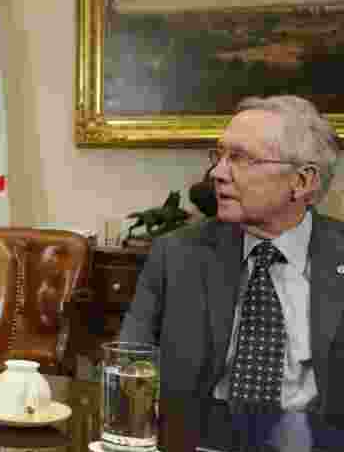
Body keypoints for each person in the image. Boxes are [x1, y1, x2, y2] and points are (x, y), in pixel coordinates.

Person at [120, 95, 343, 413]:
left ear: (302, 181)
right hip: (197, 445)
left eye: (240, 158)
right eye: (219, 155)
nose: (217, 172)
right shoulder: (177, 254)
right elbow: (130, 361)